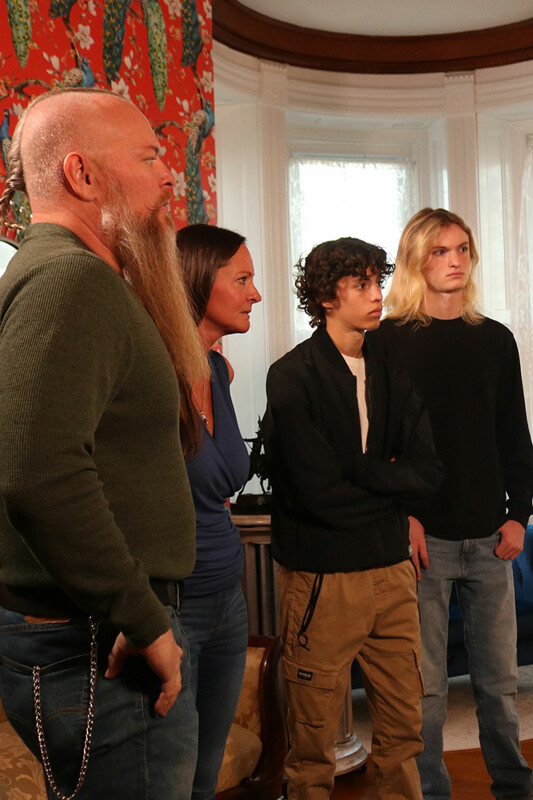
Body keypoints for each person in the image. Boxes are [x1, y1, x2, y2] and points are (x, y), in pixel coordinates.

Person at [0, 88, 208, 799]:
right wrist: (142, 618)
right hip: (98, 646)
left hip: (97, 633)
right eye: (149, 158)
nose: (168, 176)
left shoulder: (71, 276)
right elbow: (38, 472)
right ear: (83, 175)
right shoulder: (70, 280)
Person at [262, 237, 444, 800]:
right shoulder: (292, 375)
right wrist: (387, 482)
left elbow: (428, 472)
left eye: (377, 282)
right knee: (312, 745)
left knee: (404, 731)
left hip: (392, 571)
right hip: (323, 577)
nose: (377, 294)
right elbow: (316, 495)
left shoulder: (390, 370)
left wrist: (357, 470)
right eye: (361, 284)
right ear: (326, 297)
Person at [369, 207, 533, 800]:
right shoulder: (386, 341)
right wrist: (404, 516)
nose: (455, 260)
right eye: (440, 251)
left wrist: (519, 515)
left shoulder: (495, 339)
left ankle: (514, 788)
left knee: (499, 683)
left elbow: (515, 435)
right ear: (417, 259)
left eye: (462, 249)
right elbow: (377, 444)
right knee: (427, 688)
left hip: (491, 537)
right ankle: (431, 793)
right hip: (423, 542)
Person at [175, 223, 261, 800]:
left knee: (203, 779)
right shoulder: (154, 372)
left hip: (228, 597)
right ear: (200, 281)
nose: (256, 294)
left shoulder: (218, 371)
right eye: (243, 280)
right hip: (172, 605)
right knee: (169, 778)